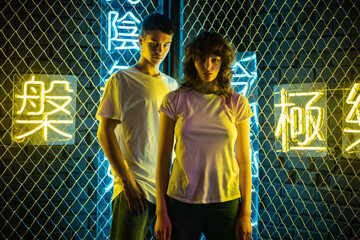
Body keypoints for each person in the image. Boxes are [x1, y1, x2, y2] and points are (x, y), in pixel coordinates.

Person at [154, 31, 253, 240]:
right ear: (192, 62)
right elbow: (163, 159)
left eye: (215, 60)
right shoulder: (175, 100)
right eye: (201, 59)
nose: (208, 66)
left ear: (223, 63)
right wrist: (161, 211)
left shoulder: (237, 102)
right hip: (181, 202)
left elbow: (244, 162)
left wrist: (246, 213)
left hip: (227, 201)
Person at [96, 13, 178, 240]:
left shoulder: (172, 85)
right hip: (134, 187)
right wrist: (127, 182)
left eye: (165, 45)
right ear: (140, 40)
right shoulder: (121, 79)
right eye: (153, 44)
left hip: (165, 189)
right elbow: (104, 133)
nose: (159, 50)